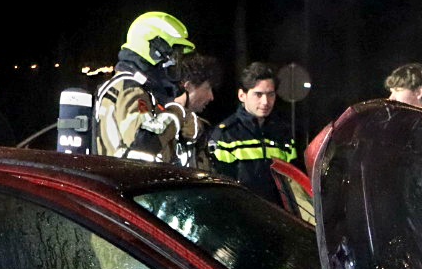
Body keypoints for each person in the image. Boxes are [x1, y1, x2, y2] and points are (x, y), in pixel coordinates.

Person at [93, 11, 195, 161]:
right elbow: (143, 142)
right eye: (172, 56)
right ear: (154, 50)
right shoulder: (130, 88)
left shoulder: (141, 89)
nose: (174, 63)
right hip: (124, 181)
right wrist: (176, 113)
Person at [209, 62, 295, 205]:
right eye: (258, 94)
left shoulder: (282, 132)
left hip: (279, 218)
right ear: (242, 95)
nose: (265, 101)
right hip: (242, 217)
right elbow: (219, 187)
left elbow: (293, 182)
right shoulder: (226, 135)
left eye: (271, 94)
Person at [166, 54, 220, 169]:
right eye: (207, 88)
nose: (211, 97)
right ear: (188, 86)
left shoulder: (201, 127)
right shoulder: (164, 122)